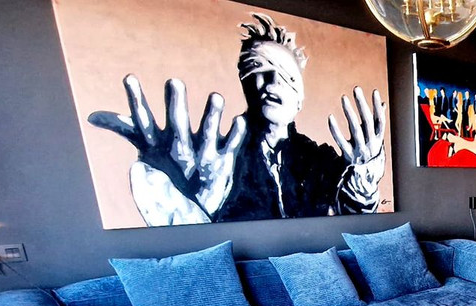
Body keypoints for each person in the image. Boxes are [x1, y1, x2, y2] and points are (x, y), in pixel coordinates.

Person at [88, 13, 386, 226]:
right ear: (244, 84)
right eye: (257, 68)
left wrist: (363, 180)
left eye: (287, 76)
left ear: (300, 98)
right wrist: (186, 201)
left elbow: (355, 218)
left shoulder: (319, 160)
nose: (273, 81)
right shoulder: (213, 161)